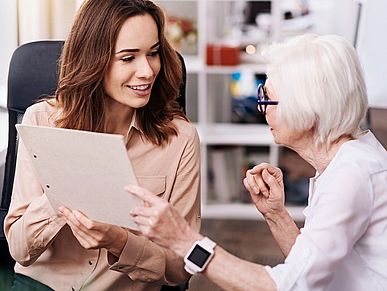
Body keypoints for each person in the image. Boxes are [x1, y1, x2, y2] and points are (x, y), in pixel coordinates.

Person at [128, 33, 387, 291]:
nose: (262, 109)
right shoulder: (347, 161)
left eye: (267, 98)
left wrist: (185, 241)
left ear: (307, 110)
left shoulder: (352, 175)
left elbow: (291, 286)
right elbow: (309, 267)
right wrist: (276, 215)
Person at [4, 0, 201, 290]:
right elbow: (18, 249)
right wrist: (61, 191)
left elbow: (181, 268)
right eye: (128, 58)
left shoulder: (179, 139)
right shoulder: (42, 119)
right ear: (92, 60)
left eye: (153, 53)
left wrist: (120, 242)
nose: (147, 71)